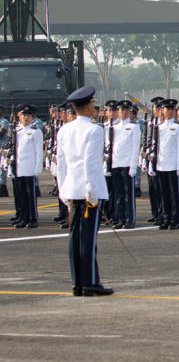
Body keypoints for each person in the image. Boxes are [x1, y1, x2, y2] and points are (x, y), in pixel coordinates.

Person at [57, 86, 112, 296]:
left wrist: (63, 189)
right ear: (88, 106)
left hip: (71, 189)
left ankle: (77, 282)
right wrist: (91, 190)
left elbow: (61, 164)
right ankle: (89, 282)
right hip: (88, 192)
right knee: (88, 239)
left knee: (75, 237)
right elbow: (91, 163)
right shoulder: (94, 130)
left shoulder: (64, 130)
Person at [9, 105, 43, 228]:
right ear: (19, 116)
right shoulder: (16, 132)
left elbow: (39, 152)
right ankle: (23, 217)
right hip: (18, 167)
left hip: (29, 168)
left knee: (31, 196)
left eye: (28, 115)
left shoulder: (35, 131)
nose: (26, 117)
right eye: (23, 115)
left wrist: (37, 168)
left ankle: (33, 218)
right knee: (21, 195)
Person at [153, 99, 179, 230]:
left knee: (173, 194)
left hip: (172, 165)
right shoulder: (159, 128)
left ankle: (175, 219)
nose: (170, 111)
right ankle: (166, 218)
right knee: (164, 194)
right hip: (161, 164)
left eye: (172, 109)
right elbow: (156, 148)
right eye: (167, 109)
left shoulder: (178, 127)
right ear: (163, 111)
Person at [109, 100, 141, 230]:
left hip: (127, 164)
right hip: (116, 163)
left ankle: (129, 219)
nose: (124, 112)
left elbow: (135, 148)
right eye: (121, 110)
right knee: (119, 194)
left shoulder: (134, 127)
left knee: (128, 194)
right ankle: (120, 218)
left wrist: (133, 166)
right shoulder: (114, 128)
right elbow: (112, 147)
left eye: (126, 110)